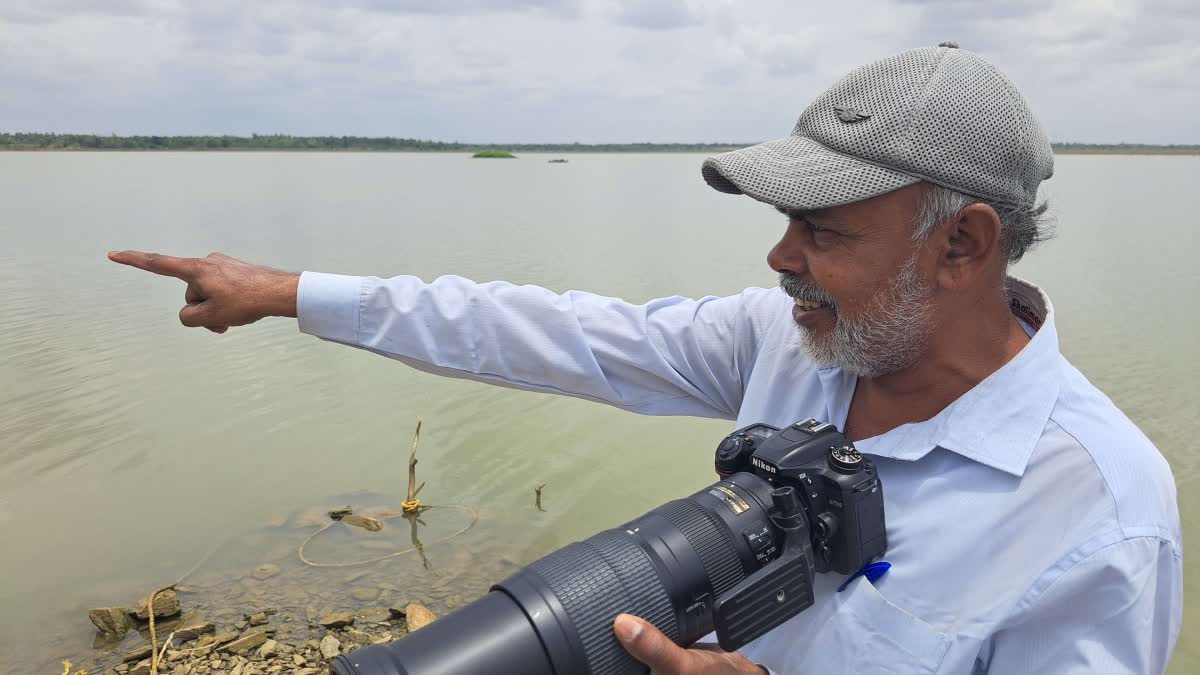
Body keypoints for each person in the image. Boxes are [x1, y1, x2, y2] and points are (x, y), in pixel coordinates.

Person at [109, 43, 1182, 674]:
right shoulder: (792, 346)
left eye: (826, 231)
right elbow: (548, 330)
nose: (780, 256)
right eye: (783, 220)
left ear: (963, 244)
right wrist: (292, 293)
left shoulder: (1096, 510)